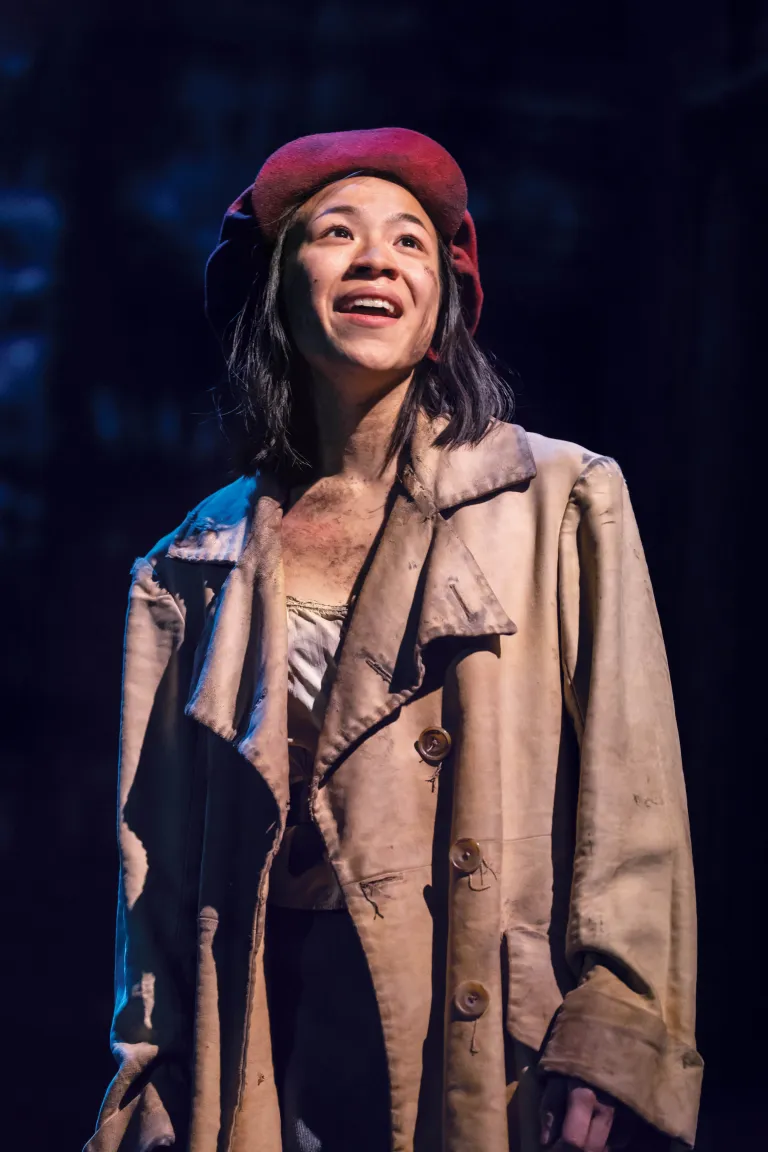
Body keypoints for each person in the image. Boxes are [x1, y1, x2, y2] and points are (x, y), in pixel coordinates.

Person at [84, 128, 702, 1152]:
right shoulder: (189, 561)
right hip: (265, 1019)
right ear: (278, 292)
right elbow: (153, 861)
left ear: (442, 303)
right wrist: (149, 1074)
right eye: (337, 234)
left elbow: (636, 789)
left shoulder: (560, 499)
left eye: (410, 241)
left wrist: (617, 1022)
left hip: (474, 1011)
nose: (376, 259)